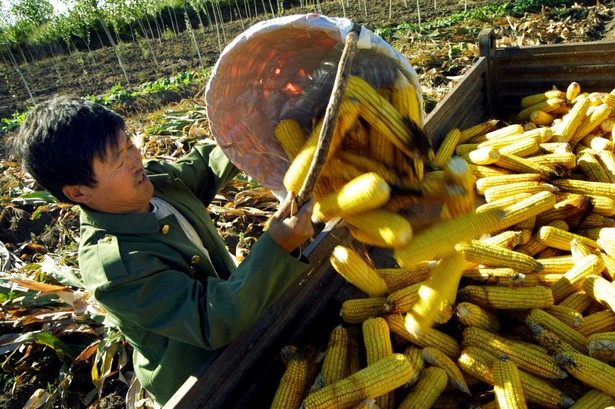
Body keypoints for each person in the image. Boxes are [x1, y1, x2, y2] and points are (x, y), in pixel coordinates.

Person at [10, 96, 315, 405]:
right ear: (78, 192)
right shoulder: (116, 267)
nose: (135, 160)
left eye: (128, 144)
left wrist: (259, 130)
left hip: (247, 326)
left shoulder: (157, 183)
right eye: (117, 159)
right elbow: (212, 321)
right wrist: (277, 246)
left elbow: (210, 164)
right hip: (207, 384)